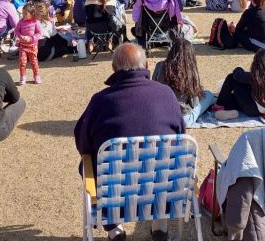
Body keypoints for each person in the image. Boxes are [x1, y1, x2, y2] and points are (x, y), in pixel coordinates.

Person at [75, 43, 184, 241]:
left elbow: (83, 145)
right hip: (161, 189)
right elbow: (181, 137)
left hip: (116, 194)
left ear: (114, 69)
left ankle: (114, 228)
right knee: (165, 159)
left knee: (88, 164)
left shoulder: (100, 101)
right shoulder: (166, 94)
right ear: (147, 65)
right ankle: (160, 225)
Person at [152, 37, 215, 127]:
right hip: (182, 119)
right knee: (208, 94)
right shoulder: (190, 72)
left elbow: (153, 88)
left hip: (160, 115)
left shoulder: (160, 65)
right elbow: (194, 103)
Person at [15, 3, 42, 85]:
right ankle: (23, 77)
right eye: (23, 13)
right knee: (22, 62)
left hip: (33, 46)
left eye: (25, 14)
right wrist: (20, 37)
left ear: (32, 14)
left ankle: (36, 76)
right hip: (23, 46)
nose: (23, 15)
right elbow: (16, 31)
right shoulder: (21, 21)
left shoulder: (36, 22)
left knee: (34, 62)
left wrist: (31, 38)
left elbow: (39, 33)